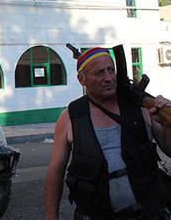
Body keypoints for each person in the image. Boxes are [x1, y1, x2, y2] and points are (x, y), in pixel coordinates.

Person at [44, 47, 171, 220]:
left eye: (111, 70)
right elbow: (55, 172)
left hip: (150, 213)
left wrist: (166, 123)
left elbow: (169, 149)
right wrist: (51, 216)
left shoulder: (140, 108)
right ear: (82, 79)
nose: (109, 78)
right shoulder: (70, 117)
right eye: (99, 73)